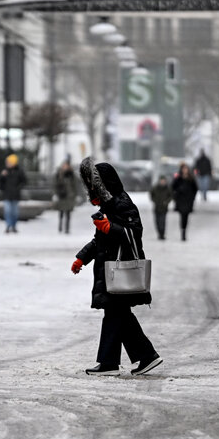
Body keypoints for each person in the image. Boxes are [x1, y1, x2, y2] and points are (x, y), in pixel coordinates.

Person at [71, 158, 162, 376]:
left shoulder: (122, 202)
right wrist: (81, 258)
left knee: (116, 315)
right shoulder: (108, 205)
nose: (92, 188)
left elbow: (134, 233)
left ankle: (114, 362)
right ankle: (142, 357)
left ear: (105, 183)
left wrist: (110, 227)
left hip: (120, 271)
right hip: (110, 272)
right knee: (118, 315)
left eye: (95, 184)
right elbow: (98, 241)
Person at [0, 153, 26, 234]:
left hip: (15, 195)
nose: (8, 163)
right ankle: (8, 226)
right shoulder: (4, 171)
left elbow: (24, 181)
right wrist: (2, 177)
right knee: (7, 211)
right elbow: (0, 183)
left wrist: (18, 188)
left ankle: (14, 226)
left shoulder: (19, 171)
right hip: (7, 195)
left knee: (14, 212)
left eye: (9, 162)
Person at [171, 163, 198, 241]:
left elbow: (195, 188)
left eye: (186, 169)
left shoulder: (191, 179)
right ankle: (183, 233)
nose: (185, 170)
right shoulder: (178, 178)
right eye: (184, 169)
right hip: (180, 200)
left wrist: (192, 197)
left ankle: (184, 231)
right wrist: (176, 195)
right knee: (182, 216)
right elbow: (173, 187)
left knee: (186, 217)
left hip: (188, 200)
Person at [54, 159, 78, 234]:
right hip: (61, 196)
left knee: (68, 213)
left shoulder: (71, 174)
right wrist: (55, 194)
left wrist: (75, 194)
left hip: (69, 196)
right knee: (61, 213)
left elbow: (75, 185)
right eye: (64, 165)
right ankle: (60, 227)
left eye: (66, 165)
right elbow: (55, 185)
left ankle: (67, 228)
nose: (65, 167)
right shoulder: (58, 174)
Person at [149, 175, 172, 240]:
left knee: (163, 221)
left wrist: (166, 202)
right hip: (156, 207)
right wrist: (155, 201)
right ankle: (159, 233)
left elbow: (170, 196)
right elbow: (151, 194)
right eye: (161, 181)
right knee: (157, 221)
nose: (162, 182)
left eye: (163, 181)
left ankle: (162, 234)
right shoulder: (155, 187)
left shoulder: (168, 188)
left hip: (164, 208)